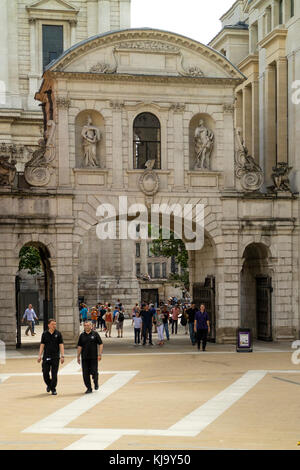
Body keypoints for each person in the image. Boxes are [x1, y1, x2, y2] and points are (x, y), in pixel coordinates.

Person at [37, 319, 64, 395]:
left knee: (54, 374)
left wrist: (62, 356)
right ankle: (49, 385)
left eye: (55, 324)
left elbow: (61, 345)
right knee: (45, 373)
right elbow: (42, 345)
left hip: (55, 357)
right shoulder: (45, 334)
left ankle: (53, 388)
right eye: (52, 324)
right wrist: (39, 355)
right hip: (46, 357)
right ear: (48, 325)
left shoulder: (58, 334)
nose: (54, 326)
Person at [77, 321, 103, 394]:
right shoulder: (82, 335)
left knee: (94, 372)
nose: (86, 327)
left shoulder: (95, 334)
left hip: (93, 357)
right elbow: (79, 346)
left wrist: (100, 354)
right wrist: (78, 356)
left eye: (88, 325)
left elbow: (100, 344)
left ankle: (96, 382)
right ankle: (89, 388)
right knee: (85, 374)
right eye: (85, 325)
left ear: (91, 326)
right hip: (84, 358)